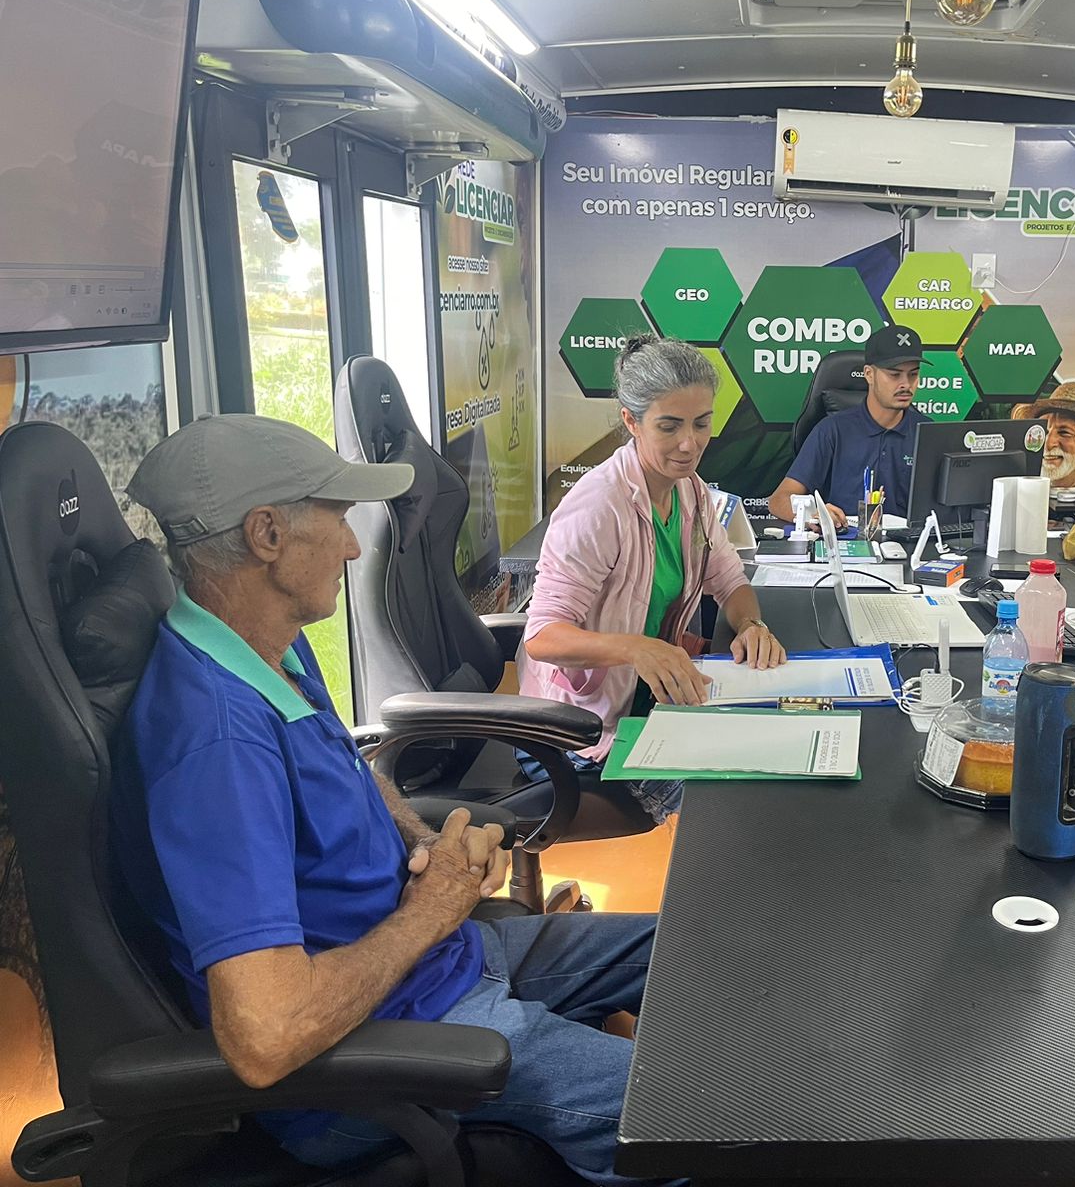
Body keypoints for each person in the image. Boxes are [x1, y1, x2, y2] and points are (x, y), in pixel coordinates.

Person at [113, 413, 677, 1186]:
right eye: (338, 521)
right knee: (695, 1117)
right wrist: (432, 908)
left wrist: (426, 842)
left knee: (698, 946)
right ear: (266, 535)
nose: (353, 548)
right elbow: (267, 1036)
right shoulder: (214, 744)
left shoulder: (262, 642)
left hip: (438, 960)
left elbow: (348, 766)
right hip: (389, 1048)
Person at [521, 334, 786, 822]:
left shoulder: (692, 493)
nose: (690, 444)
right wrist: (635, 648)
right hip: (581, 739)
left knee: (774, 753)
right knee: (741, 806)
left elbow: (731, 581)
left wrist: (750, 625)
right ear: (631, 421)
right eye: (670, 427)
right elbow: (541, 636)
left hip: (652, 708)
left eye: (702, 424)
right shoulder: (599, 505)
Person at [767, 322, 929, 529]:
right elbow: (779, 499)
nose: (906, 384)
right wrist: (812, 515)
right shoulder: (831, 430)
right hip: (844, 544)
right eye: (894, 375)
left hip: (911, 548)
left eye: (913, 374)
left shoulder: (927, 434)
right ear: (869, 374)